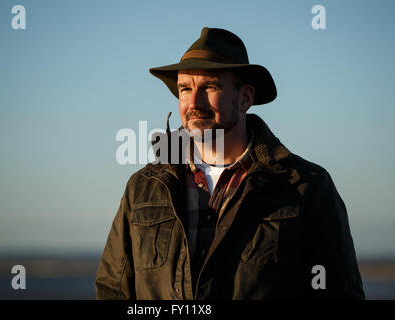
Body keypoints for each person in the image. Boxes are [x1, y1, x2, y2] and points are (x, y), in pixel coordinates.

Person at [95, 27, 365, 299]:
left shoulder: (306, 186)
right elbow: (112, 292)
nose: (194, 103)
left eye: (210, 87)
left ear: (245, 99)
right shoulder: (143, 189)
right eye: (185, 89)